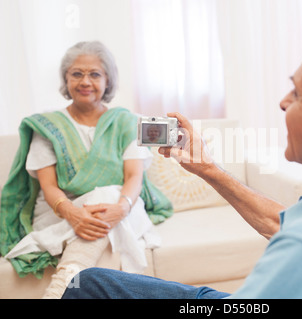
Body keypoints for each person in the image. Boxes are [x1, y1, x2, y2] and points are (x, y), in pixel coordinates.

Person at [61, 23, 302, 299]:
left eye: (298, 92)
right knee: (94, 282)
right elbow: (279, 221)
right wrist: (208, 169)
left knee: (83, 287)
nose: (283, 102)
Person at [0, 41, 173, 298]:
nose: (85, 81)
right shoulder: (49, 126)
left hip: (120, 206)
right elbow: (48, 186)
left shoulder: (124, 122)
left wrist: (121, 208)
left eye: (95, 74)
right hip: (61, 211)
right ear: (66, 80)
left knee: (108, 197)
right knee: (109, 221)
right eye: (76, 73)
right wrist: (73, 214)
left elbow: (134, 176)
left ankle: (59, 290)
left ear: (107, 81)